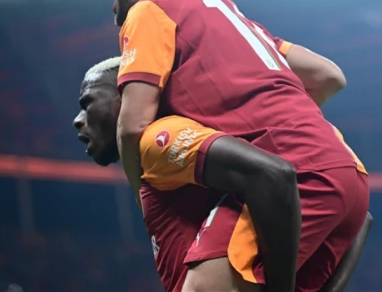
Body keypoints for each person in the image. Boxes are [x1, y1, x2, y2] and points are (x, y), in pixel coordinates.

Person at [98, 0, 369, 292]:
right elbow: (329, 76)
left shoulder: (151, 9)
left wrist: (145, 198)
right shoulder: (234, 17)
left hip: (290, 176)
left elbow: (133, 125)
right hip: (346, 177)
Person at [75, 56, 299, 292]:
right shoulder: (152, 162)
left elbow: (273, 173)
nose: (77, 120)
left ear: (126, 97)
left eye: (87, 103)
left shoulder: (158, 139)